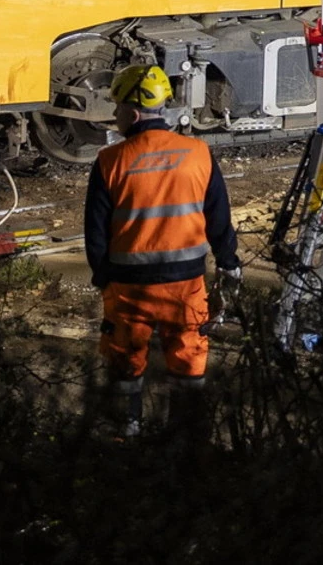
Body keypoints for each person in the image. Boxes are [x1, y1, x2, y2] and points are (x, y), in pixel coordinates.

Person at [84, 63, 240, 434]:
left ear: (133, 113)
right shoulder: (198, 153)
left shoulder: (110, 161)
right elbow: (219, 219)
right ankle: (185, 437)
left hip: (128, 287)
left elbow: (96, 233)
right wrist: (229, 264)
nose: (116, 116)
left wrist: (103, 279)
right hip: (186, 283)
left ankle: (127, 430)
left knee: (126, 362)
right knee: (188, 359)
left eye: (118, 108)